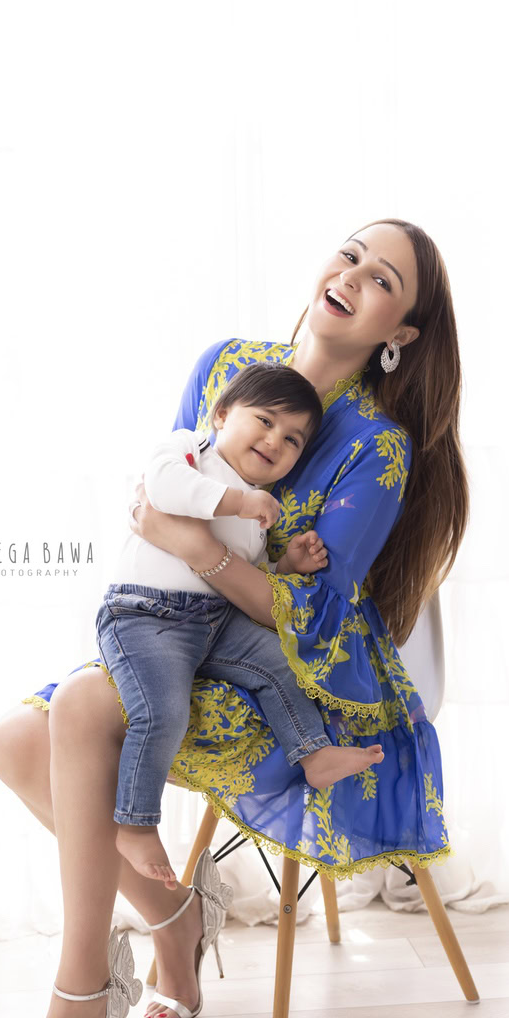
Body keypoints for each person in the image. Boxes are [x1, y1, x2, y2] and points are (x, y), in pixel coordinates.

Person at [0, 218, 469, 1018]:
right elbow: (158, 492)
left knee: (85, 710)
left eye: (385, 281)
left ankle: (81, 997)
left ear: (399, 336)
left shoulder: (376, 446)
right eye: (352, 253)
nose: (354, 274)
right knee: (16, 737)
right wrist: (180, 547)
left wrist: (195, 547)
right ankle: (175, 920)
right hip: (171, 620)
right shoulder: (224, 365)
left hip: (292, 667)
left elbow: (308, 610)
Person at [99, 360, 384, 890]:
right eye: (266, 420)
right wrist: (239, 500)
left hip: (214, 622)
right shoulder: (188, 451)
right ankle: (135, 824)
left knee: (280, 663)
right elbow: (162, 490)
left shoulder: (258, 515)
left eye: (294, 439)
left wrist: (284, 567)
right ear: (222, 414)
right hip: (146, 615)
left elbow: (236, 575)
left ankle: (314, 754)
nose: (276, 440)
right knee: (162, 712)